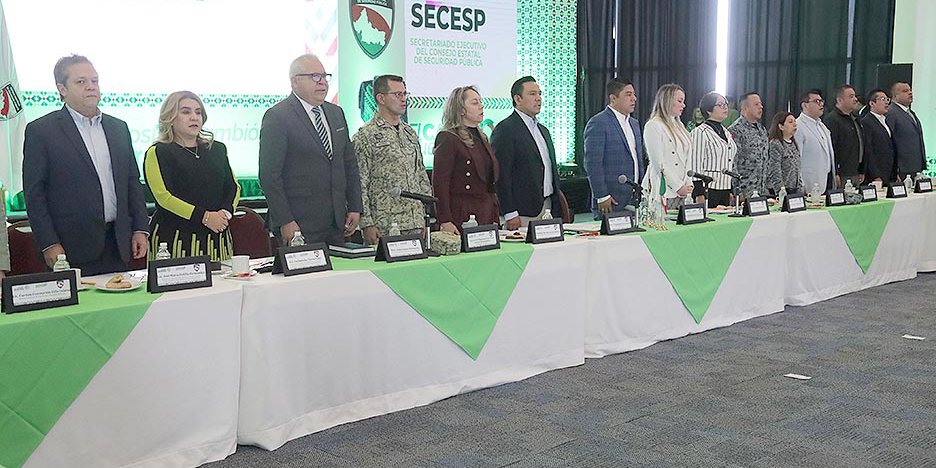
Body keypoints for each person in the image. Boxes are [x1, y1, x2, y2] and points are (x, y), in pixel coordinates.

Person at [23, 55, 149, 275]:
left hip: (118, 243)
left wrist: (140, 228)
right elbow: (35, 195)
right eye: (81, 82)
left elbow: (131, 182)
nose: (91, 87)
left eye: (94, 81)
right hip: (68, 247)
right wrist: (49, 243)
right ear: (62, 89)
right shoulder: (41, 131)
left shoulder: (118, 128)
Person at [259, 54, 362, 246]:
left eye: (325, 76)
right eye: (315, 77)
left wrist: (355, 206)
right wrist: (285, 220)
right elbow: (269, 176)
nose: (322, 82)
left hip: (336, 222)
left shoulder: (336, 113)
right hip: (298, 223)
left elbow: (349, 164)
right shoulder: (278, 116)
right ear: (295, 82)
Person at [143, 91, 240, 261]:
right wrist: (205, 217)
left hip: (217, 237)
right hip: (175, 240)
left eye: (198, 112)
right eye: (186, 112)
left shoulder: (217, 149)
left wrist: (225, 213)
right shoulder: (158, 152)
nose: (194, 117)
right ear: (170, 118)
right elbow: (164, 196)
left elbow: (233, 187)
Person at [353, 75, 431, 245]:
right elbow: (359, 182)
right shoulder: (365, 135)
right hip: (384, 224)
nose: (403, 99)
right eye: (397, 95)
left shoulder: (410, 133)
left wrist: (424, 217)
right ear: (381, 98)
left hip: (414, 221)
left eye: (405, 94)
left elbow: (420, 174)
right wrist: (366, 223)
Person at [491, 76, 562, 230]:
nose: (538, 98)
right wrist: (509, 212)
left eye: (540, 94)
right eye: (532, 94)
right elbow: (501, 175)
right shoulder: (505, 129)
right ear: (518, 99)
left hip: (548, 206)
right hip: (521, 211)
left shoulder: (543, 130)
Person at [432, 85, 499, 235]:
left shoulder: (482, 137)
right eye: (475, 103)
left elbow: (489, 182)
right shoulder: (448, 138)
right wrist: (445, 219)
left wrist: (494, 212)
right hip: (461, 213)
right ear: (461, 109)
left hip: (485, 211)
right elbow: (440, 183)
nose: (481, 106)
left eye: (480, 101)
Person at [583, 77, 645, 218]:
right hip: (611, 200)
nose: (634, 99)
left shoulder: (634, 124)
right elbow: (593, 163)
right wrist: (601, 195)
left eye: (634, 94)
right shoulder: (599, 122)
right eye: (628, 95)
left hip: (634, 198)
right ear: (613, 98)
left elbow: (637, 159)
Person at [643, 83, 693, 208]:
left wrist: (688, 183)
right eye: (680, 101)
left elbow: (687, 159)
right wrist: (678, 186)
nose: (683, 105)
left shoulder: (680, 126)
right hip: (664, 190)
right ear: (667, 101)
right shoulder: (653, 125)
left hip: (684, 190)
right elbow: (659, 163)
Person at [689, 92, 738, 207]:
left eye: (726, 104)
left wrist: (730, 190)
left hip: (725, 188)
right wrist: (699, 194)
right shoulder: (700, 132)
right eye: (720, 105)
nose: (725, 107)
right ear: (708, 110)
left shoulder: (726, 132)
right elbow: (695, 165)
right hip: (708, 189)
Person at [728, 92, 769, 197]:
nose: (761, 107)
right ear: (745, 108)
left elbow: (765, 159)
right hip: (744, 191)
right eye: (756, 104)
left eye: (761, 104)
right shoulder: (735, 130)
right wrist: (737, 191)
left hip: (760, 190)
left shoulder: (762, 130)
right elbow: (732, 162)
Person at [795, 89, 836, 193]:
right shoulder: (798, 126)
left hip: (825, 179)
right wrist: (800, 185)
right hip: (808, 182)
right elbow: (796, 159)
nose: (821, 104)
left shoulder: (822, 126)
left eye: (821, 101)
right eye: (816, 101)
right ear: (805, 105)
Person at [824, 84, 864, 187]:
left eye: (855, 96)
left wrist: (862, 169)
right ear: (840, 100)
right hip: (842, 174)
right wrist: (835, 172)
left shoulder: (855, 118)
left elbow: (860, 144)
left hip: (855, 172)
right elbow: (832, 147)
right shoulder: (832, 120)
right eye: (851, 96)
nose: (855, 99)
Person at [886, 82, 927, 179]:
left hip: (914, 166)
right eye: (905, 91)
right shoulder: (891, 112)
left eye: (910, 90)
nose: (910, 93)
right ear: (895, 96)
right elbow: (889, 141)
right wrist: (894, 168)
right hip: (901, 167)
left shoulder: (911, 113)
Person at [861, 89, 897, 183]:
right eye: (882, 99)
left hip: (889, 172)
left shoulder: (885, 120)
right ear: (872, 103)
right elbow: (868, 151)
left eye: (887, 99)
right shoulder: (867, 122)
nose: (886, 102)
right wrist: (875, 175)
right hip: (877, 174)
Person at [766, 112, 804, 193]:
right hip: (781, 191)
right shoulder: (775, 144)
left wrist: (800, 189)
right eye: (790, 122)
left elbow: (797, 169)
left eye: (795, 121)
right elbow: (775, 170)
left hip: (794, 190)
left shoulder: (793, 143)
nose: (794, 124)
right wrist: (781, 192)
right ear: (781, 126)